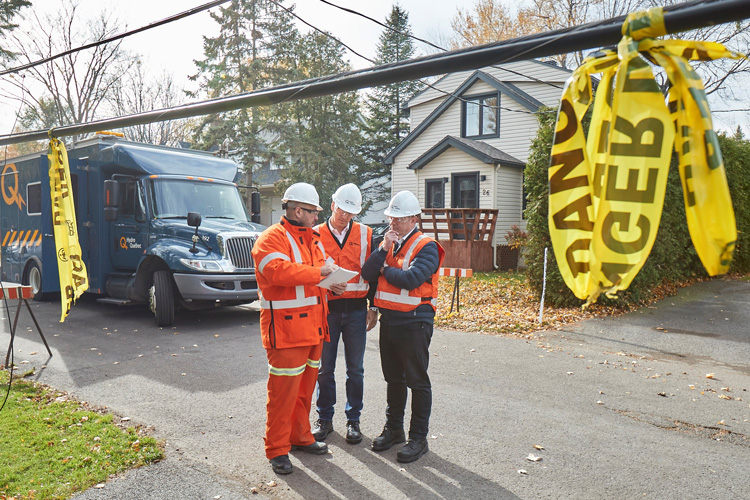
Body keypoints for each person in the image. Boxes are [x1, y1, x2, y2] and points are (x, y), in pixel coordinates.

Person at [250, 182, 343, 475]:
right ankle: (277, 448)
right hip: (287, 332)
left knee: (304, 391)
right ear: (298, 210)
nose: (317, 217)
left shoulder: (312, 239)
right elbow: (278, 272)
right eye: (314, 212)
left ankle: (300, 436)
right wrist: (320, 273)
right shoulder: (270, 239)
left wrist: (332, 285)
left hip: (314, 329)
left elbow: (315, 279)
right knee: (282, 394)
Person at [361, 190, 445, 464]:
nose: (392, 224)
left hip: (416, 322)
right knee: (393, 379)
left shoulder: (427, 246)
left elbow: (411, 279)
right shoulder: (388, 243)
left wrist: (385, 270)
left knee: (417, 381)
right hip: (391, 321)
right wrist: (383, 251)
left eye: (398, 219)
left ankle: (418, 439)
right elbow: (367, 274)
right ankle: (394, 429)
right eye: (390, 218)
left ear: (413, 218)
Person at [312, 183, 379, 445]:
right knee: (324, 369)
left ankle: (354, 421)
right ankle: (325, 419)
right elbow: (308, 271)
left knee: (356, 370)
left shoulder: (366, 234)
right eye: (342, 211)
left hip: (356, 311)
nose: (345, 217)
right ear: (332, 206)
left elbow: (373, 273)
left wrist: (373, 307)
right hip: (327, 310)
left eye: (351, 213)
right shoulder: (314, 233)